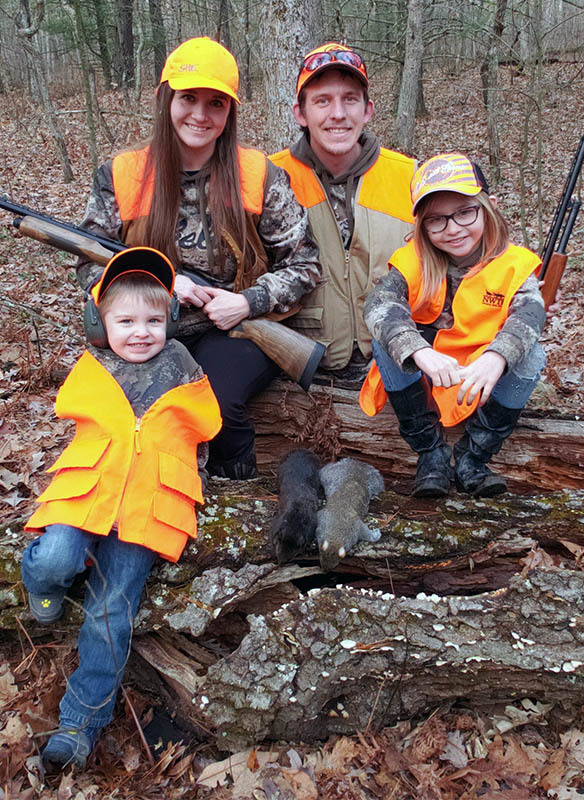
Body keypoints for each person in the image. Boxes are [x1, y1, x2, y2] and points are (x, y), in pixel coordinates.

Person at [77, 37, 321, 479]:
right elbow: (90, 264)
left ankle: (235, 482)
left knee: (214, 401)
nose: (200, 115)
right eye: (188, 98)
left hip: (234, 327)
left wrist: (248, 302)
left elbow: (304, 265)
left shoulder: (258, 174)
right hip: (147, 324)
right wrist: (163, 285)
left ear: (230, 113)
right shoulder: (122, 175)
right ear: (164, 99)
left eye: (216, 103)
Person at [22, 247, 222, 768]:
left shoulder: (182, 364)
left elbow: (204, 423)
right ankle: (38, 582)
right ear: (99, 322)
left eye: (154, 320)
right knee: (56, 558)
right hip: (88, 491)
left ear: (171, 321)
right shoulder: (93, 364)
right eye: (125, 320)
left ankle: (77, 727)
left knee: (111, 614)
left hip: (146, 507)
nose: (141, 332)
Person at [360, 153, 546, 498]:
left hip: (483, 371)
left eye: (465, 212)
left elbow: (530, 315)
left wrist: (497, 357)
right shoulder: (412, 261)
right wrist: (417, 350)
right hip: (430, 371)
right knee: (387, 343)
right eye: (437, 220)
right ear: (422, 226)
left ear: (489, 206)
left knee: (533, 355)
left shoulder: (514, 264)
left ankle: (473, 457)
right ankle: (430, 453)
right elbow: (379, 305)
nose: (454, 228)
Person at [270, 42, 416, 375]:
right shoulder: (268, 179)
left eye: (350, 99)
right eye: (323, 101)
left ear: (367, 110)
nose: (338, 113)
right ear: (300, 114)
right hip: (298, 371)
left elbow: (455, 260)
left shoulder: (410, 177)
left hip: (395, 364)